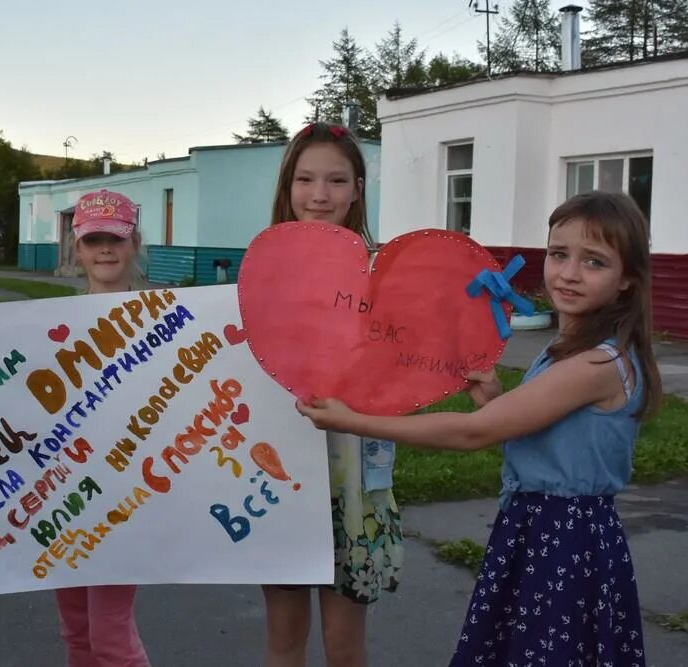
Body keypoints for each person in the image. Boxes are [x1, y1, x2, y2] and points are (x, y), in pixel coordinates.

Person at [298, 191, 660, 667]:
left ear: (627, 280)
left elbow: (474, 433)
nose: (569, 273)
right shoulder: (570, 348)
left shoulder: (597, 363)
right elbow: (539, 431)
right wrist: (493, 397)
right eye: (558, 254)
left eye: (594, 261)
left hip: (565, 542)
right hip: (542, 529)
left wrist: (351, 420)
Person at [263, 123, 404, 667]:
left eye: (336, 180)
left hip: (353, 475)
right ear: (288, 186)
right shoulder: (261, 270)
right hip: (277, 471)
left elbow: (406, 363)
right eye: (305, 179)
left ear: (358, 189)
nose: (319, 195)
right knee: (283, 639)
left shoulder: (384, 273)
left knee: (344, 646)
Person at [54, 189, 151, 667]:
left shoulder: (166, 321)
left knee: (111, 637)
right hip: (61, 496)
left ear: (134, 244)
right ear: (78, 248)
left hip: (123, 499)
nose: (105, 249)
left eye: (115, 238)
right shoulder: (48, 324)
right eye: (94, 240)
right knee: (76, 630)